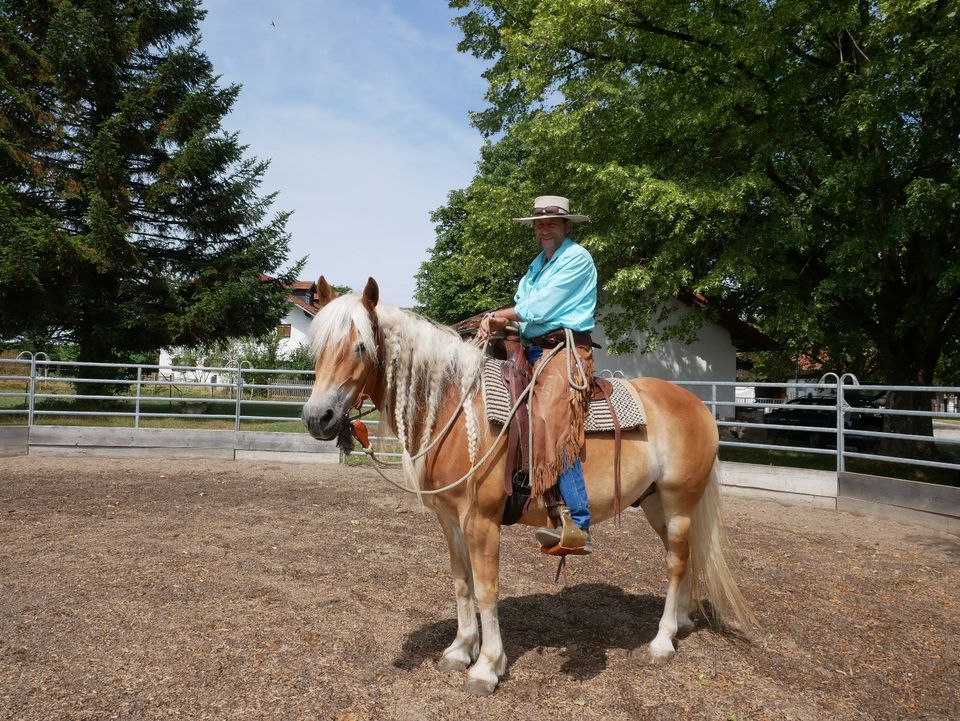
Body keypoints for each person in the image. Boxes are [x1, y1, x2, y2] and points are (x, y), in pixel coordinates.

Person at [477, 195, 597, 554]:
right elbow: (527, 309)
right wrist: (499, 324)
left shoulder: (577, 259)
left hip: (565, 349)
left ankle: (577, 521)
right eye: (539, 224)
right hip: (531, 347)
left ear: (567, 226)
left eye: (551, 223)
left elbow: (539, 308)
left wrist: (501, 315)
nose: (544, 229)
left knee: (548, 416)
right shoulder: (537, 265)